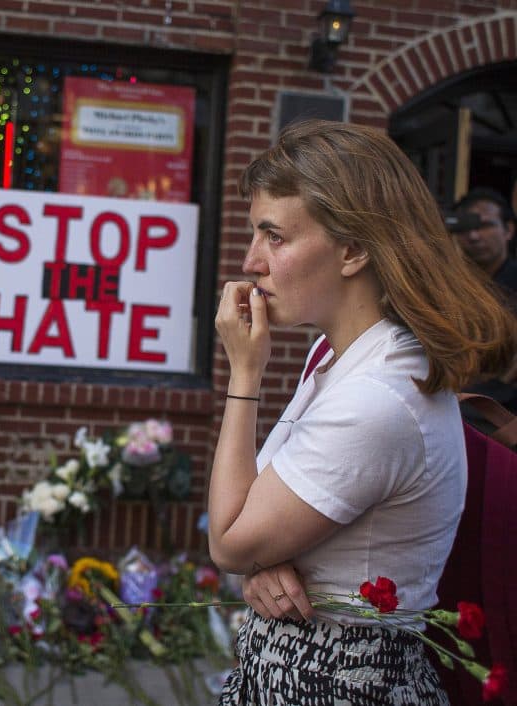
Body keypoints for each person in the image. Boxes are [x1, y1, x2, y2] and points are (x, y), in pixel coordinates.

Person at [209, 120, 517, 704]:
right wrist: (263, 557)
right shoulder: (338, 355)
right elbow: (256, 525)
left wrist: (244, 375)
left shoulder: (377, 397)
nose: (252, 262)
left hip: (336, 684)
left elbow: (227, 540)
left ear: (353, 249)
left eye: (275, 236)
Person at [452, 186, 517, 307]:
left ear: (508, 230)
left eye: (485, 226)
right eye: (464, 228)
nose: (473, 236)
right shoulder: (451, 284)